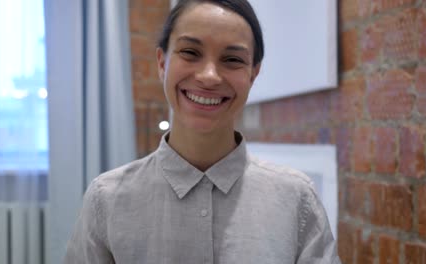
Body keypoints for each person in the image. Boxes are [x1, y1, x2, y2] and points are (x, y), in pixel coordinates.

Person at [64, 0, 341, 263]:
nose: (209, 75)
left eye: (232, 59)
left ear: (253, 74)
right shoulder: (107, 199)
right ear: (162, 63)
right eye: (190, 53)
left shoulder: (296, 200)